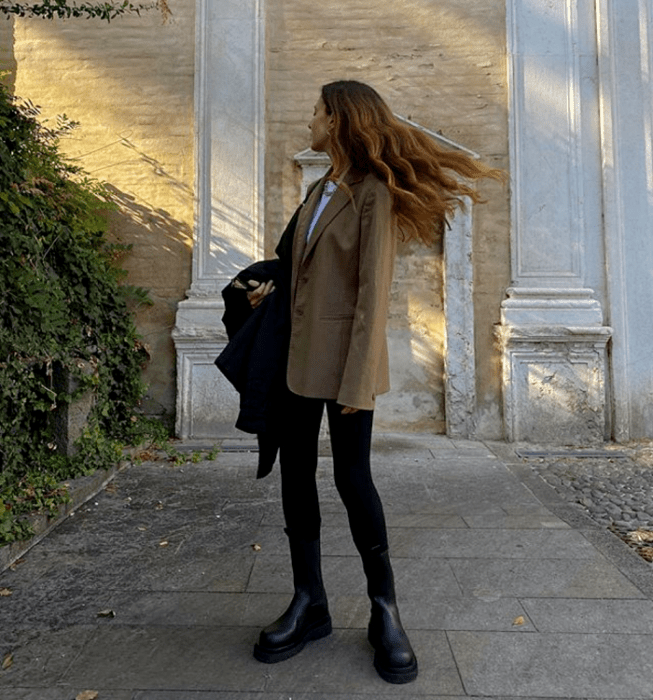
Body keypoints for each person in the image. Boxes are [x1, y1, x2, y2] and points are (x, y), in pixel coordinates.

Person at [247, 80, 504, 684]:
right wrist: (267, 288)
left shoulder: (372, 195)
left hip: (345, 362)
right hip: (293, 358)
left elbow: (372, 295)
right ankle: (308, 601)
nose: (308, 118)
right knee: (295, 473)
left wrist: (357, 382)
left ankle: (384, 609)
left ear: (338, 121)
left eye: (316, 111)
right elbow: (300, 270)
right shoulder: (318, 190)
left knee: (352, 476)